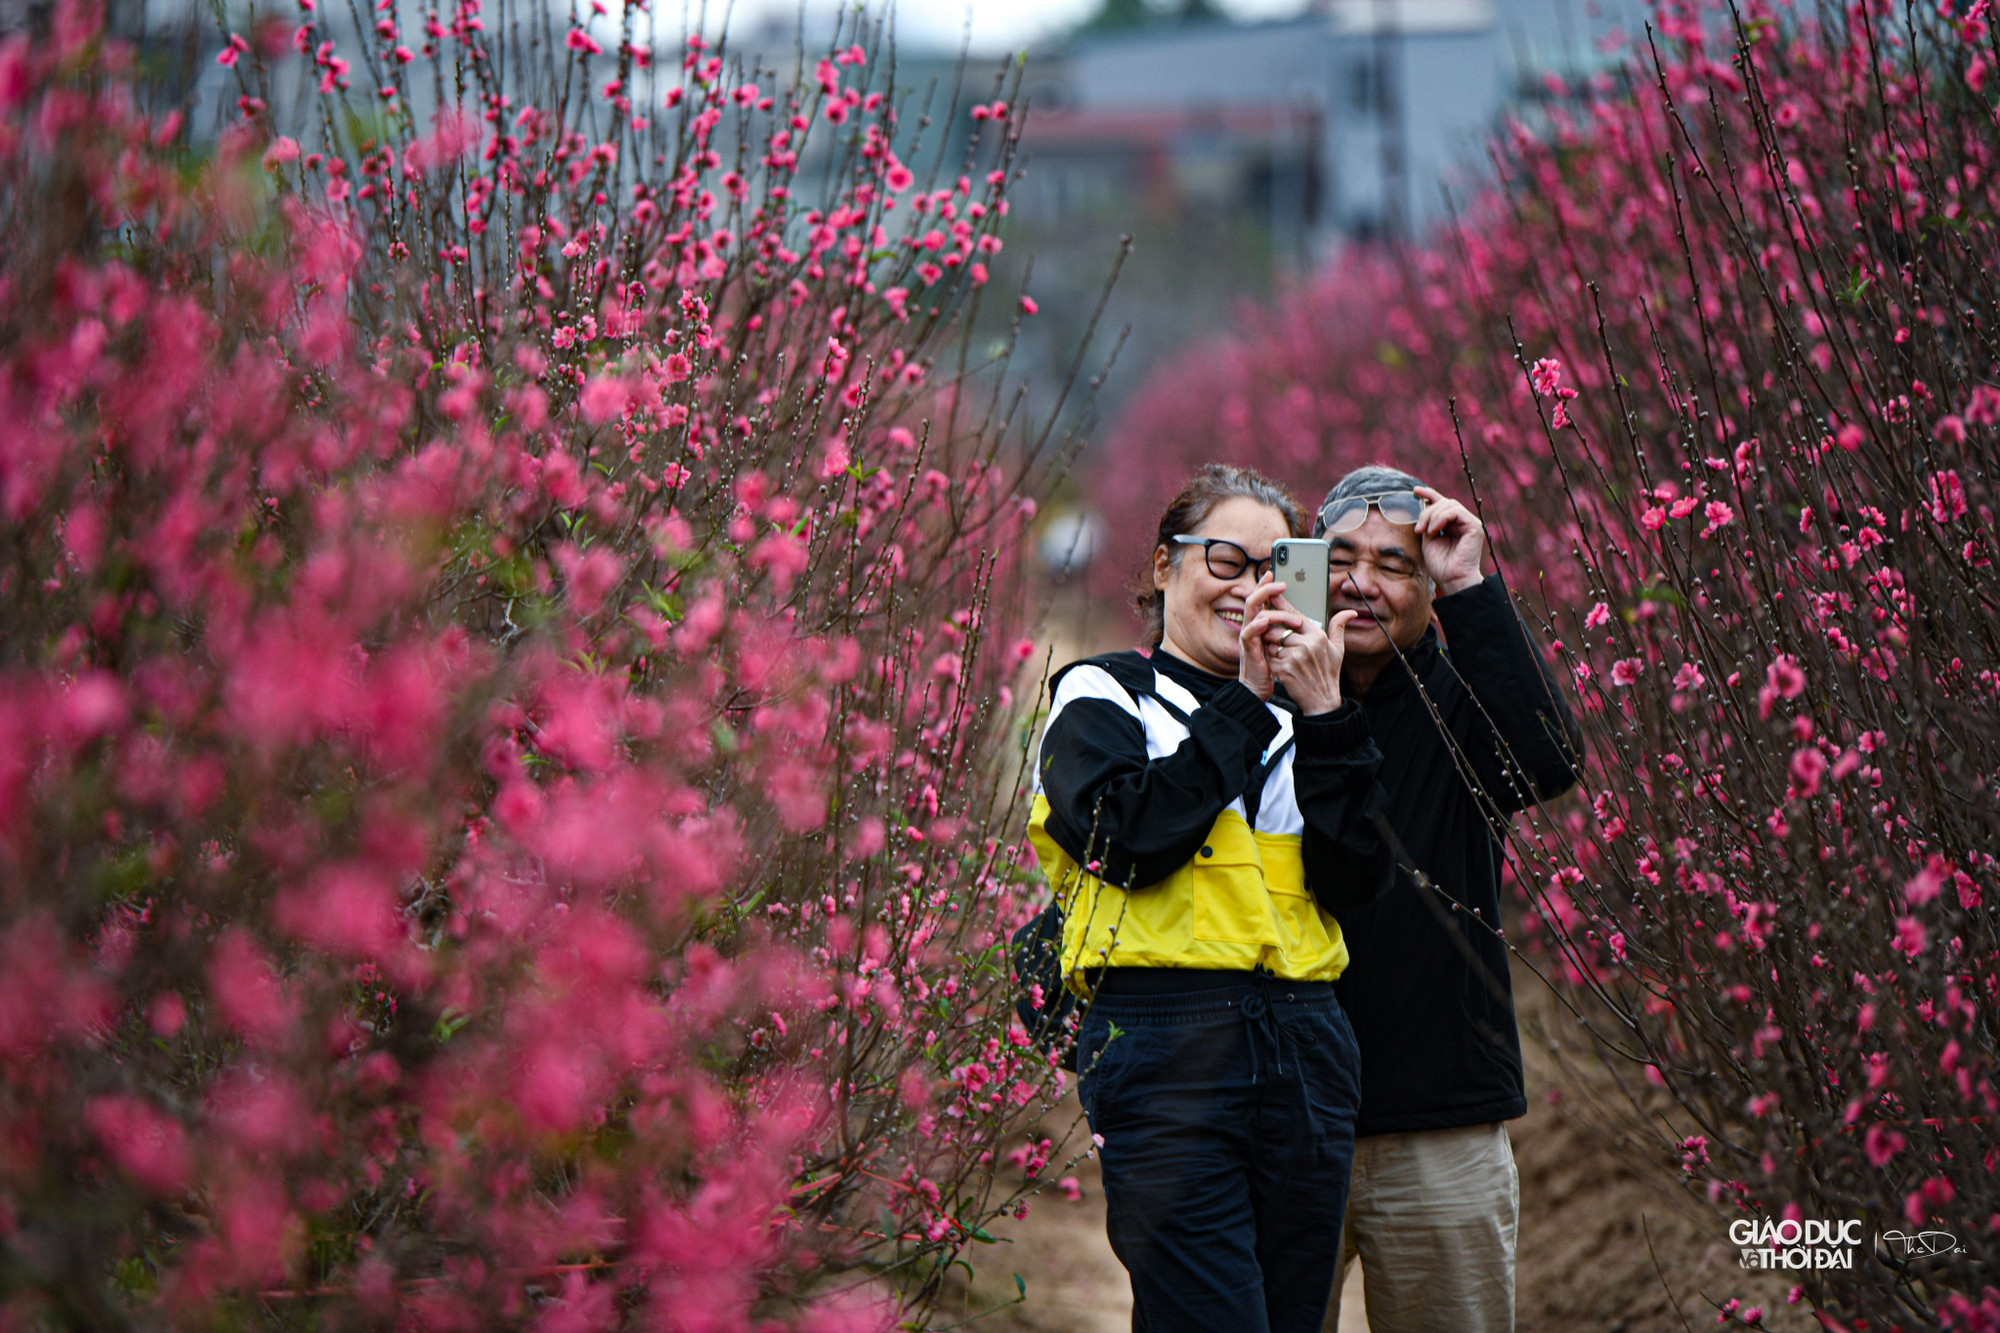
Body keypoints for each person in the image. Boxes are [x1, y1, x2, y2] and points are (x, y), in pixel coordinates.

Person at [1026, 463, 1397, 1333]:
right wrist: (1244, 701)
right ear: (1165, 566)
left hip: (1305, 1046)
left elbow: (1358, 884)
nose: (1253, 588)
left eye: (1278, 568)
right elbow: (1127, 836)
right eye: (1228, 560)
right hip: (1166, 1045)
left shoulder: (1310, 716)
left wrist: (1329, 718)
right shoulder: (1103, 692)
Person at [1307, 465, 1583, 1333]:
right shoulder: (1261, 700)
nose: (1361, 582)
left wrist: (1471, 583)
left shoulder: (1461, 705)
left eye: (1394, 564)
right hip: (1282, 1121)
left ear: (1427, 587)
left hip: (1438, 1123)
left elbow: (1548, 761)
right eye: (1341, 558)